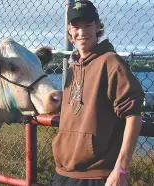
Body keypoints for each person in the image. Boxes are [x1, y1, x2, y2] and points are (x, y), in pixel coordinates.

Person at [50, 1, 145, 186]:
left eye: (88, 25)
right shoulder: (73, 66)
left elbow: (133, 116)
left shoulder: (111, 63)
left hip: (96, 176)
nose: (82, 32)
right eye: (76, 27)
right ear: (69, 31)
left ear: (98, 26)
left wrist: (121, 169)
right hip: (62, 172)